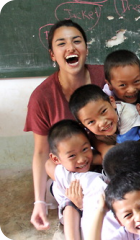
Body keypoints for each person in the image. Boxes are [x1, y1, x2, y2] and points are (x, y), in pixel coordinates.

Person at [24, 19, 105, 230]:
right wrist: (39, 202)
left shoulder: (106, 78)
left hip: (106, 161)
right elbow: (42, 153)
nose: (70, 47)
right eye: (61, 43)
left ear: (86, 49)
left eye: (77, 41)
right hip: (71, 172)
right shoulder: (41, 97)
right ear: (52, 55)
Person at [48, 119, 108, 240]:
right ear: (56, 159)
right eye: (72, 156)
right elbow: (48, 165)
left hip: (96, 209)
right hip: (76, 208)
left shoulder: (98, 165)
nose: (81, 159)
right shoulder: (64, 173)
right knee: (69, 205)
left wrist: (96, 159)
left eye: (85, 149)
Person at [69, 84, 140, 154]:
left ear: (112, 102)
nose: (102, 123)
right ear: (84, 126)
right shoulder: (96, 131)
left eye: (103, 111)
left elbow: (121, 154)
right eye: (91, 122)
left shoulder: (129, 115)